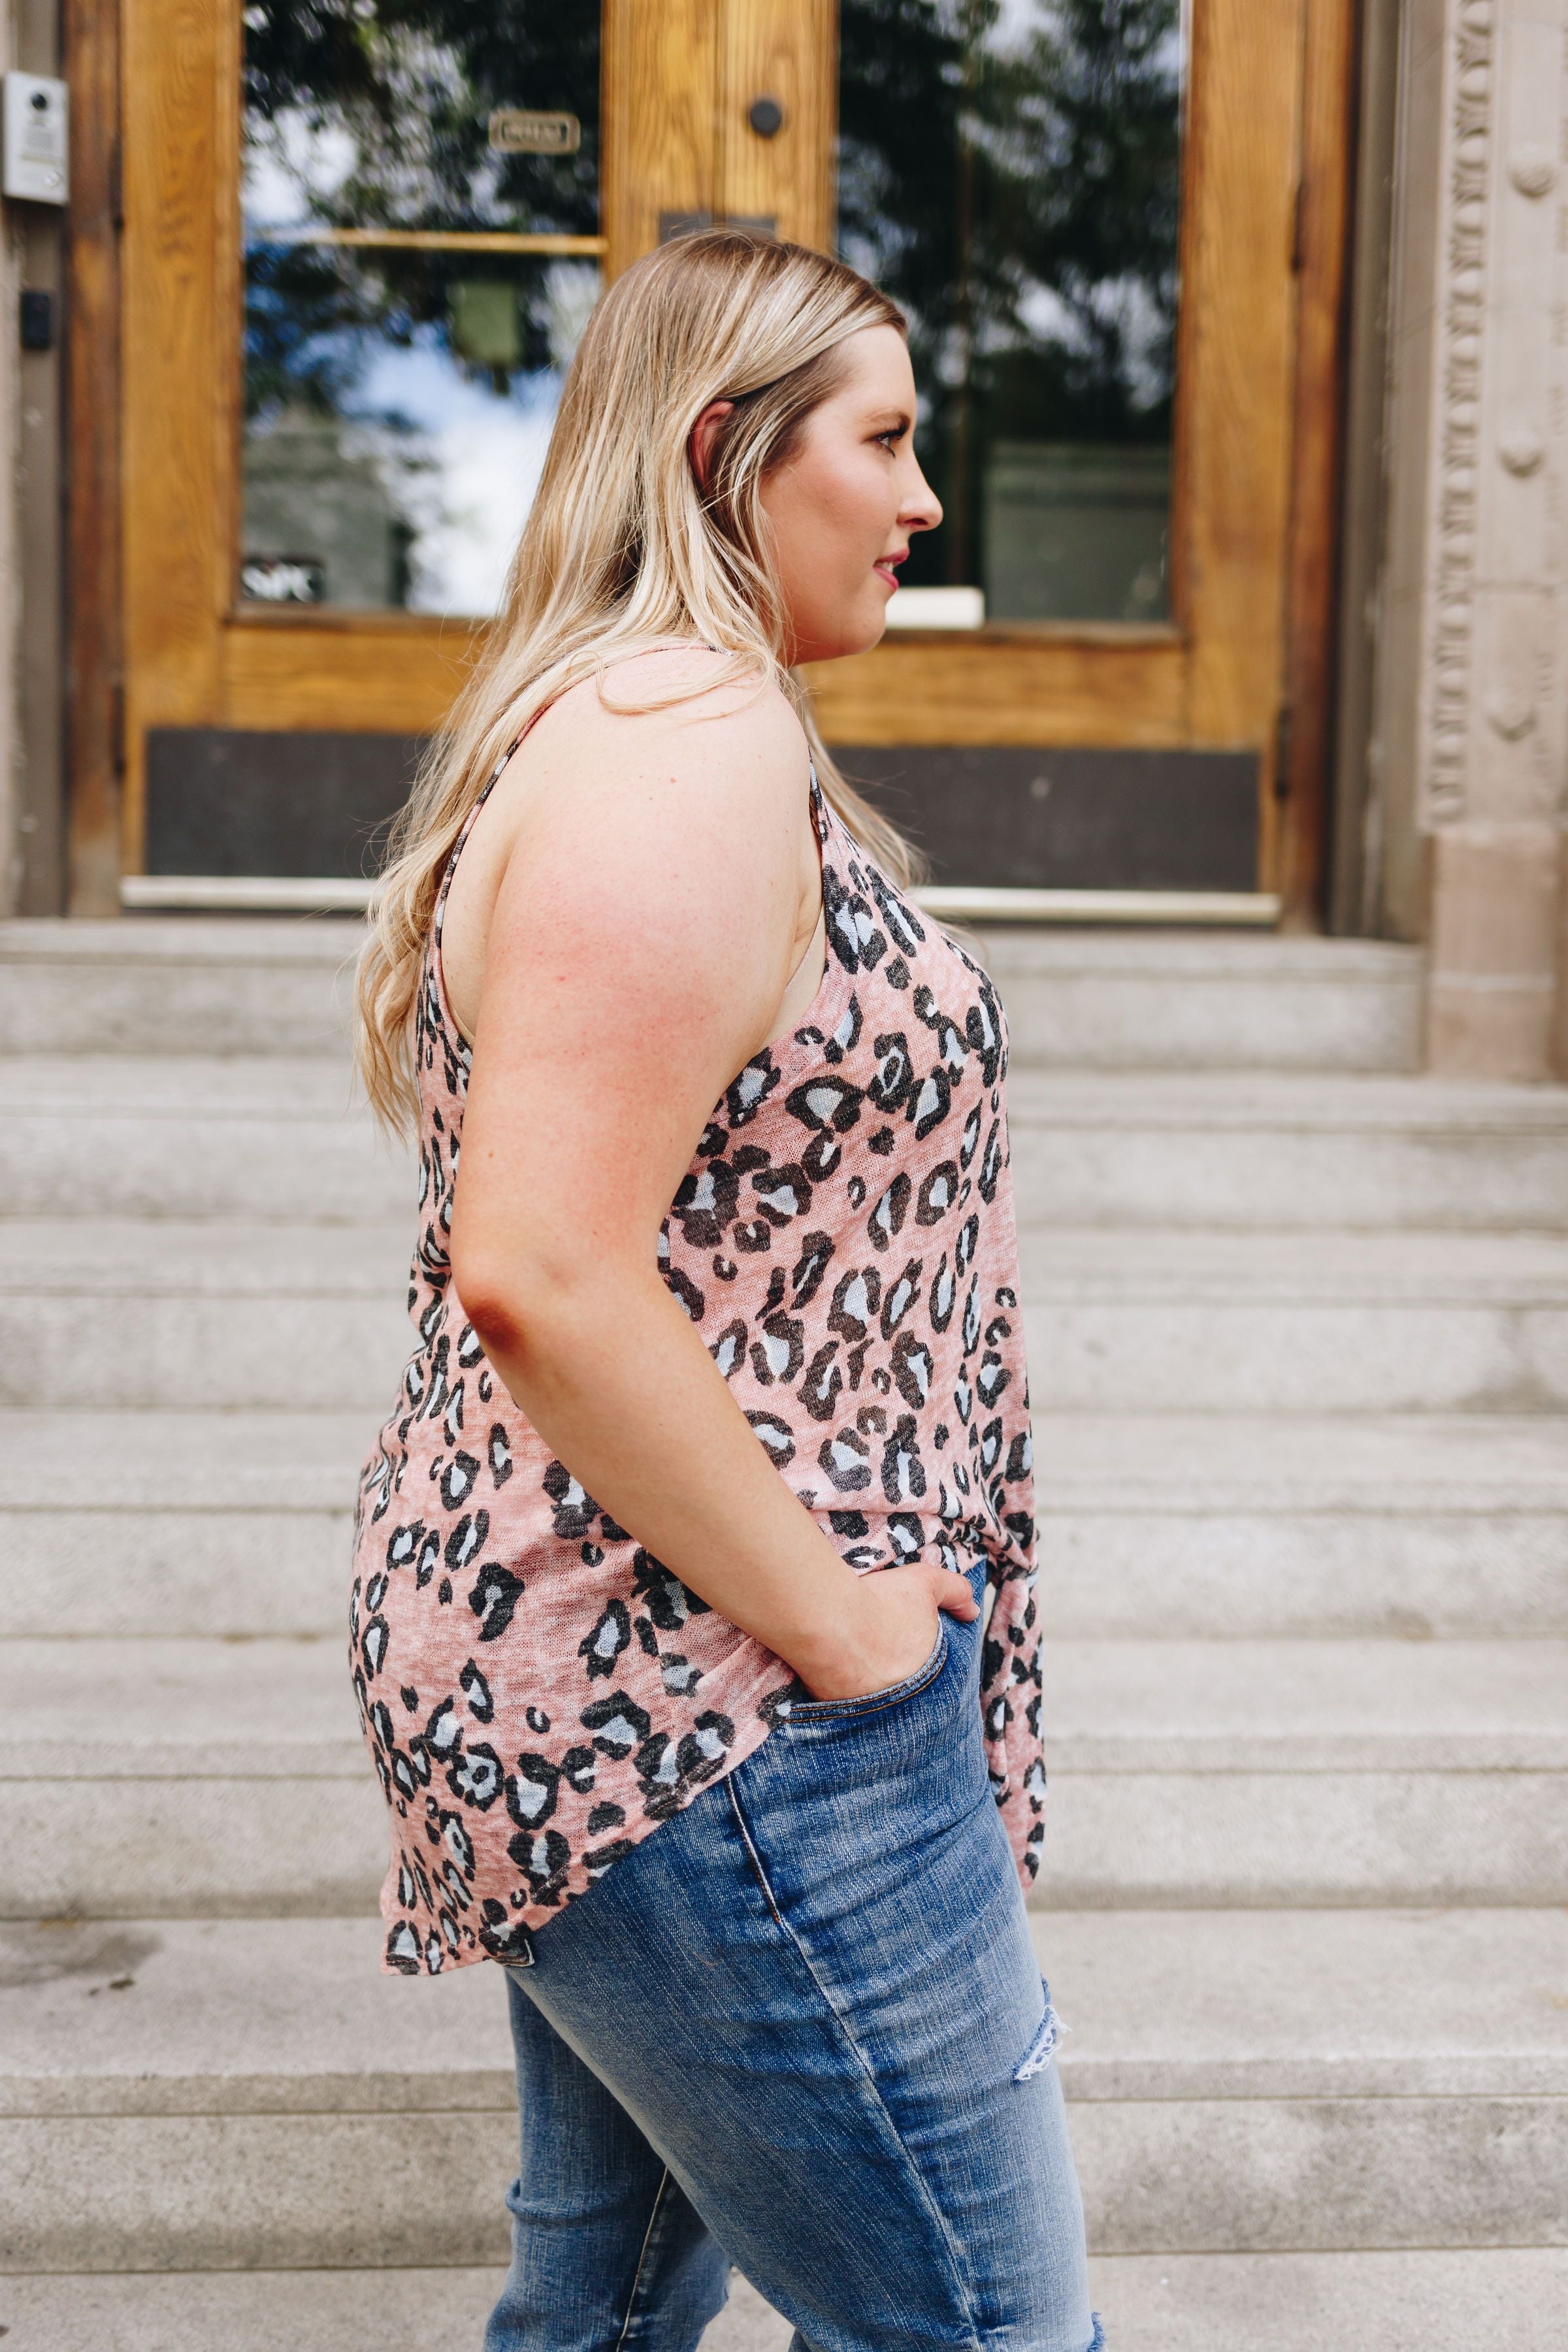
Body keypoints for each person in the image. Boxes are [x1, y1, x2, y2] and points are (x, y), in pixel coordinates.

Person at [351, 227, 1102, 2352]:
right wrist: (857, 1633)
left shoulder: (642, 724)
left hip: (652, 1679)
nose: (923, 497)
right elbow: (545, 1270)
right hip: (717, 1709)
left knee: (597, 2320)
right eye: (883, 440)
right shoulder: (686, 735)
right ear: (725, 452)